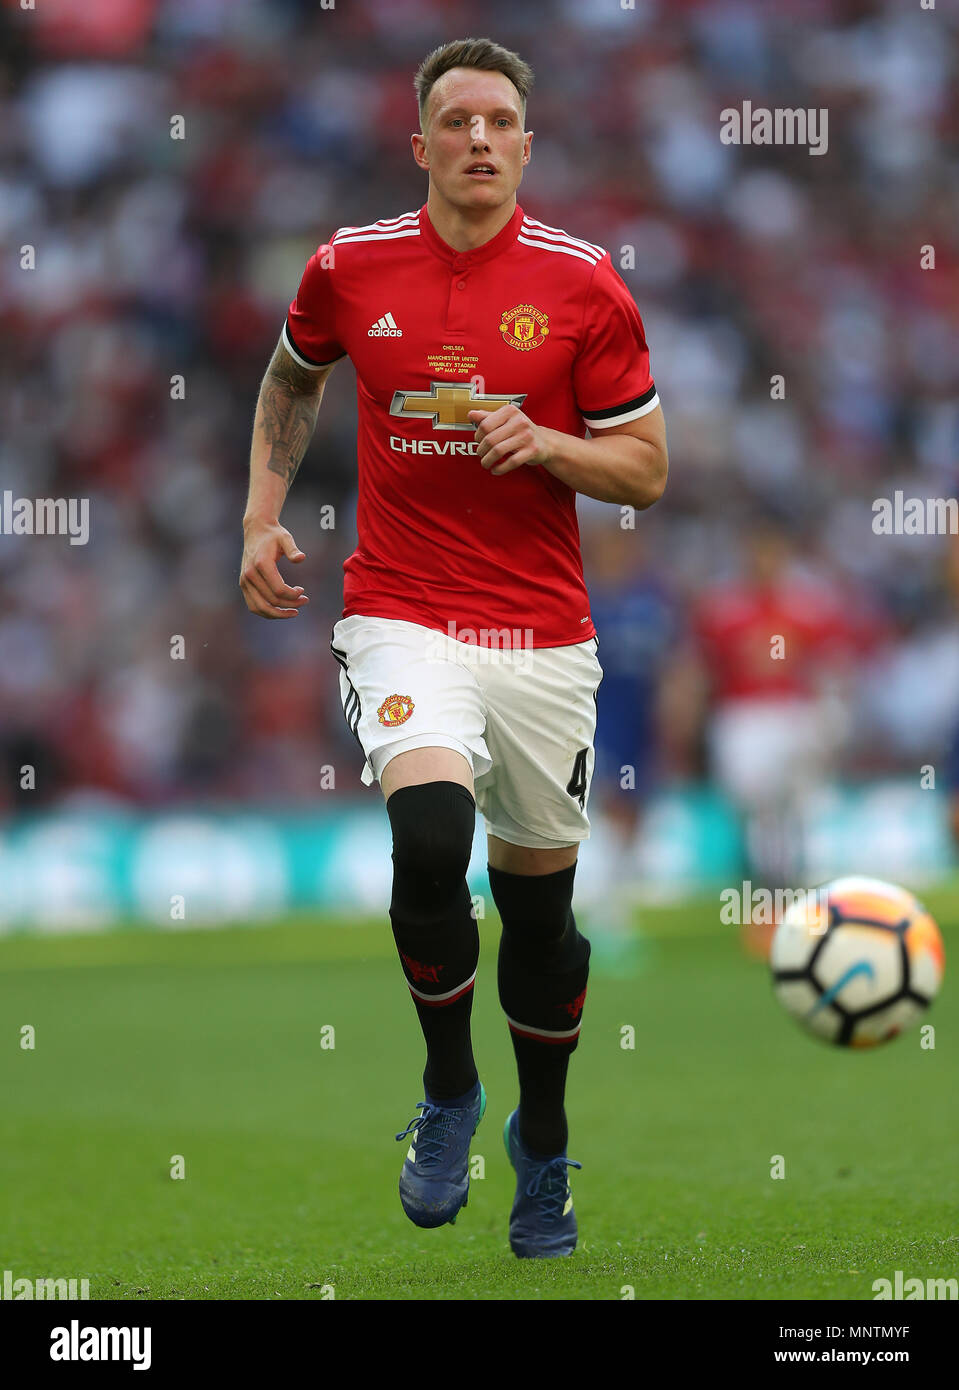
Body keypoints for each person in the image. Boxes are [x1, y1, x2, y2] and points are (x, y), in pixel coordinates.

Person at [239, 37, 667, 1259]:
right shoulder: (347, 266)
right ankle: (447, 1091)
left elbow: (644, 467)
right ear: (418, 142)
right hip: (400, 612)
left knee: (542, 924)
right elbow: (289, 376)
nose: (478, 138)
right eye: (456, 120)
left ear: (526, 146)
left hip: (543, 635)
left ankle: (540, 1138)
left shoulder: (585, 285)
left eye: (499, 122)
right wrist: (261, 518)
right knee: (429, 836)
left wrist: (547, 445)